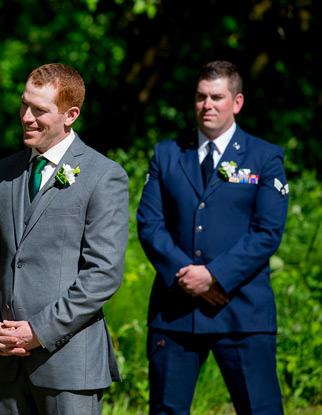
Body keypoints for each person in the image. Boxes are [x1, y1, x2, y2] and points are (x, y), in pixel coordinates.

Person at [0, 63, 127, 414]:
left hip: (69, 366)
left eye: (39, 110)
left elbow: (102, 274)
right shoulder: (5, 171)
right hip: (7, 361)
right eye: (24, 105)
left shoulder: (104, 176)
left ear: (70, 114)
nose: (26, 116)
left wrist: (38, 332)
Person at [137, 60, 288, 415]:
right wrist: (187, 275)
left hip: (240, 309)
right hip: (176, 311)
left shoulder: (265, 157)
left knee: (260, 410)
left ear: (236, 102)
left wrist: (214, 276)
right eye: (201, 97)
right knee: (166, 411)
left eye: (217, 97)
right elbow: (149, 224)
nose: (207, 105)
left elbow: (267, 232)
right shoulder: (167, 154)